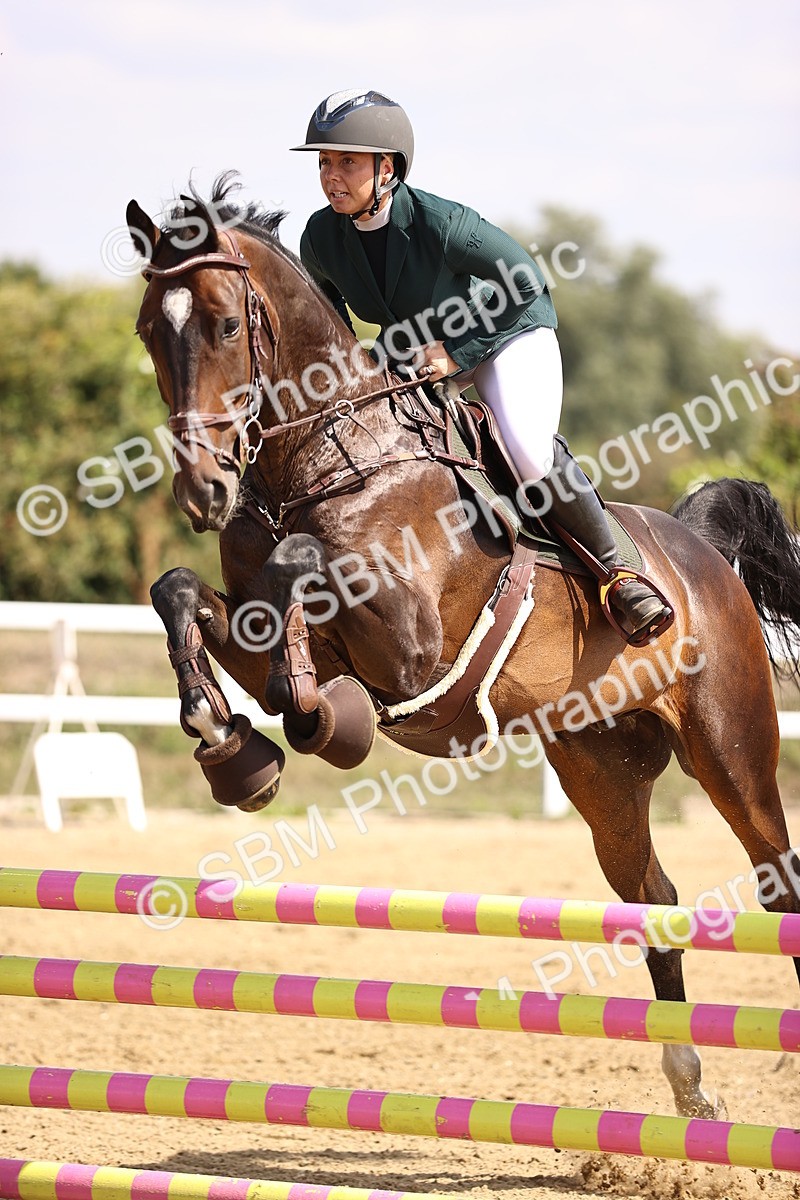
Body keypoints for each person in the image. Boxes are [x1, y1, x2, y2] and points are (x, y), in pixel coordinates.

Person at [291, 89, 670, 641]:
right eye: (324, 162)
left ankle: (619, 573)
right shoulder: (320, 237)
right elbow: (335, 324)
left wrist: (457, 353)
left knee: (523, 447)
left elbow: (525, 281)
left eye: (347, 161)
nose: (331, 176)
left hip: (503, 336)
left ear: (387, 168)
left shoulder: (443, 224)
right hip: (417, 352)